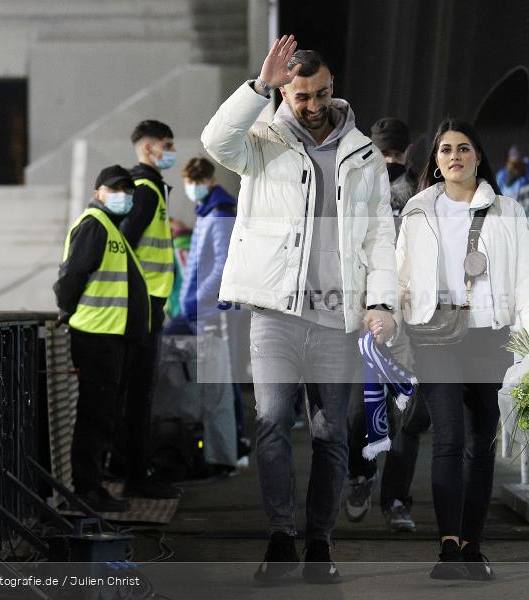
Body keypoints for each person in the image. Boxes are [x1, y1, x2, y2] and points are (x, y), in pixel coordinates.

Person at [200, 35, 397, 584]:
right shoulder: (259, 141)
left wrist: (381, 302)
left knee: (332, 433)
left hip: (337, 315)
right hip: (276, 314)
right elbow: (215, 140)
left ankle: (320, 543)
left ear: (334, 89)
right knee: (269, 425)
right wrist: (259, 87)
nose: (313, 105)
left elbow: (381, 235)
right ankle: (282, 536)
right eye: (300, 96)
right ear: (285, 95)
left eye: (321, 93)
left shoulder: (364, 155)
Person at [396, 119, 529, 580]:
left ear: (478, 156)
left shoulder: (508, 212)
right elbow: (400, 274)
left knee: (481, 446)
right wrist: (390, 320)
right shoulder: (416, 211)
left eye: (463, 148)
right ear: (435, 161)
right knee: (447, 438)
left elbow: (528, 280)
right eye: (445, 150)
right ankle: (448, 547)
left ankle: (473, 546)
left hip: (490, 335)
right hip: (433, 335)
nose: (454, 156)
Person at [344, 116, 426, 533]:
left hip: (393, 313)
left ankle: (374, 485)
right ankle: (386, 494)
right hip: (385, 312)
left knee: (376, 406)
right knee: (395, 410)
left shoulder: (372, 188)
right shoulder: (413, 189)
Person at [53, 165, 149, 513]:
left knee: (105, 413)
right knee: (96, 414)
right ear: (98, 192)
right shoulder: (94, 224)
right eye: (115, 188)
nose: (123, 195)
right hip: (97, 334)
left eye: (127, 189)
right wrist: (65, 308)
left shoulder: (111, 227)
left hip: (112, 334)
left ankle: (94, 482)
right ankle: (88, 488)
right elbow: (73, 275)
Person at [119, 120, 181, 500]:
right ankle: (135, 478)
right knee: (138, 396)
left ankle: (135, 471)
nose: (172, 151)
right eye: (167, 144)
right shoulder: (144, 190)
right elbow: (125, 244)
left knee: (139, 394)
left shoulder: (150, 188)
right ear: (148, 149)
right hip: (141, 309)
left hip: (149, 306)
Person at [179, 155, 250, 471]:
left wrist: (194, 300)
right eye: (189, 181)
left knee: (224, 380)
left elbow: (221, 267)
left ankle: (232, 445)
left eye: (197, 181)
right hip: (205, 309)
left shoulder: (219, 215)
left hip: (213, 311)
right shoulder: (208, 211)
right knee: (222, 378)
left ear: (209, 180)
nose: (192, 187)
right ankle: (232, 444)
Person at [369, 117, 417, 217]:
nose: (391, 160)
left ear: (408, 151)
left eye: (398, 155)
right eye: (384, 154)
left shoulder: (420, 192)